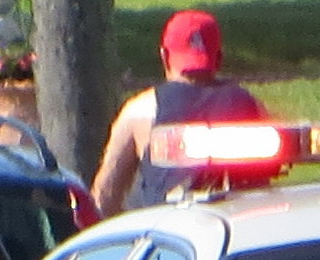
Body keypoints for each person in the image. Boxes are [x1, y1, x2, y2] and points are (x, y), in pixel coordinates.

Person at [90, 10, 267, 216]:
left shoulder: (141, 112)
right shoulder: (252, 107)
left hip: (168, 233)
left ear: (164, 56)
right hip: (243, 234)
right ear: (218, 57)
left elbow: (104, 196)